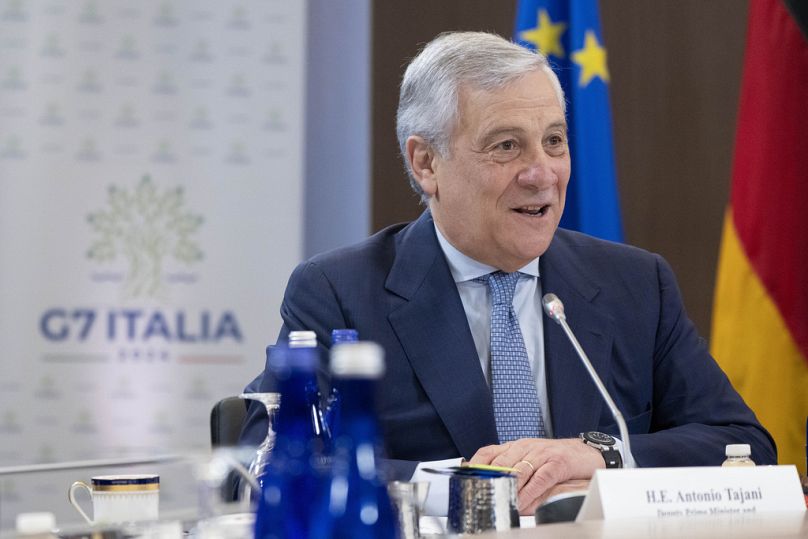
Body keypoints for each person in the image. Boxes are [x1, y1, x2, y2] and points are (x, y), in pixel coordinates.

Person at [240, 31, 776, 515]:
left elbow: (742, 444)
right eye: (506, 146)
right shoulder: (340, 291)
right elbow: (269, 460)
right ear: (427, 163)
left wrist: (598, 455)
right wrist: (465, 487)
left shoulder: (634, 284)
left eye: (554, 141)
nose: (541, 173)